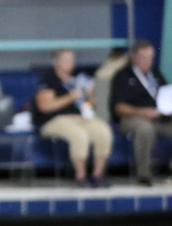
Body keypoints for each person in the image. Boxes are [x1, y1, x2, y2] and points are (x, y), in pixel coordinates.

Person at [32, 48, 112, 188]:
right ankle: (81, 177)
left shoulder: (78, 79)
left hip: (79, 117)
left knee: (103, 131)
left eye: (72, 59)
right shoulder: (49, 79)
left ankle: (97, 175)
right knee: (79, 134)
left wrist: (90, 94)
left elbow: (92, 105)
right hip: (54, 120)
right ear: (56, 62)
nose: (70, 63)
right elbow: (45, 106)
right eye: (66, 59)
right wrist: (70, 97)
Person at [111, 39, 171, 186]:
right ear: (134, 57)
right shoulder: (122, 76)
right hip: (133, 118)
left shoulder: (156, 74)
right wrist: (142, 112)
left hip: (159, 117)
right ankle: (144, 174)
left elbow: (166, 95)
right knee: (145, 129)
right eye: (144, 58)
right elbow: (119, 107)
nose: (148, 62)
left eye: (151, 58)